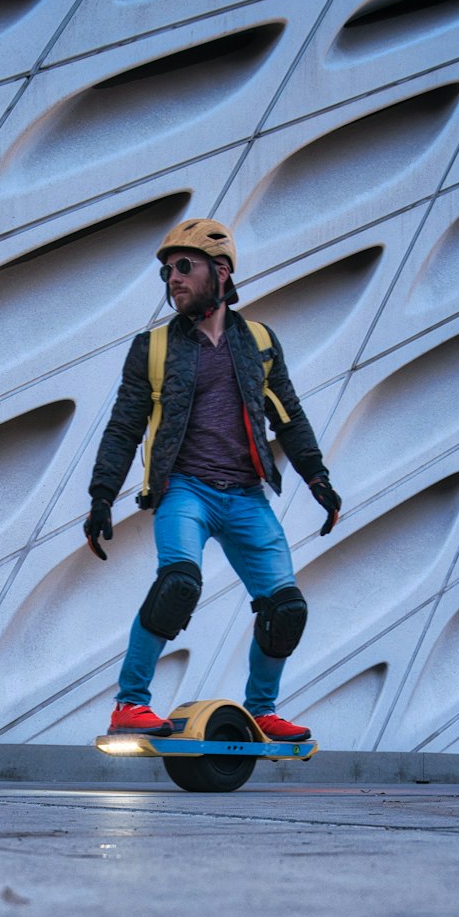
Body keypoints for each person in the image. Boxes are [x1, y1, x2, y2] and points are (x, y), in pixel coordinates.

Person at [84, 218, 342, 741]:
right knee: (178, 584)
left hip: (248, 495)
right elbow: (124, 425)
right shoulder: (152, 347)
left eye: (184, 267)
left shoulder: (261, 342)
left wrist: (318, 478)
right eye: (165, 272)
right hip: (185, 489)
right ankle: (130, 704)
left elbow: (287, 415)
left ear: (220, 272)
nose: (172, 279)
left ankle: (263, 712)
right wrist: (101, 497)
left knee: (286, 609)